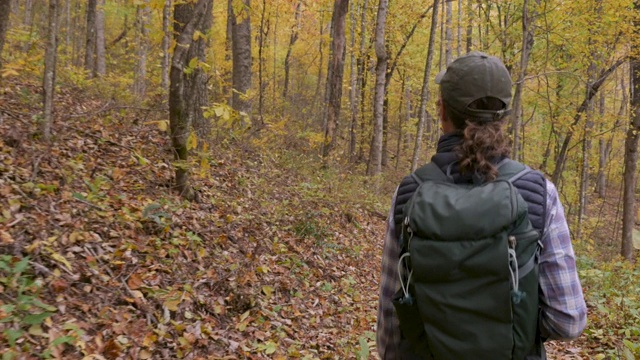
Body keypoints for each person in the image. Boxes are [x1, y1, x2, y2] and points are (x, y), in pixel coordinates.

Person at [376, 51, 587, 359]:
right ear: (502, 117)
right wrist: (515, 322)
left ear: (443, 110)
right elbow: (568, 319)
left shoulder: (411, 192)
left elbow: (390, 325)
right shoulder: (539, 192)